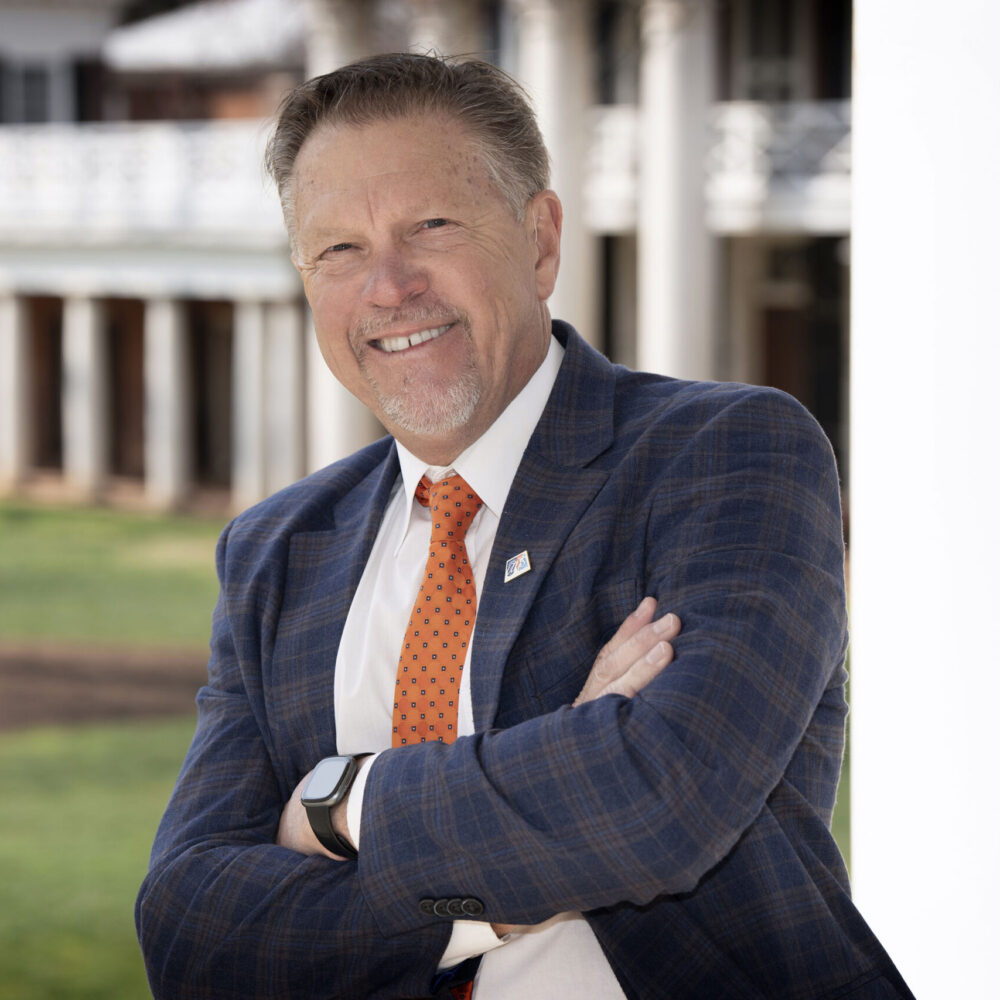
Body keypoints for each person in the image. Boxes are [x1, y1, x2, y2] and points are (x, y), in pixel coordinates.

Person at [136, 53, 913, 1000]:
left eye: (431, 225)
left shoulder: (726, 455)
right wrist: (514, 876)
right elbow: (193, 933)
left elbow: (659, 801)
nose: (387, 285)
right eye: (337, 249)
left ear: (540, 241)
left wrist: (342, 801)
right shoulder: (274, 550)